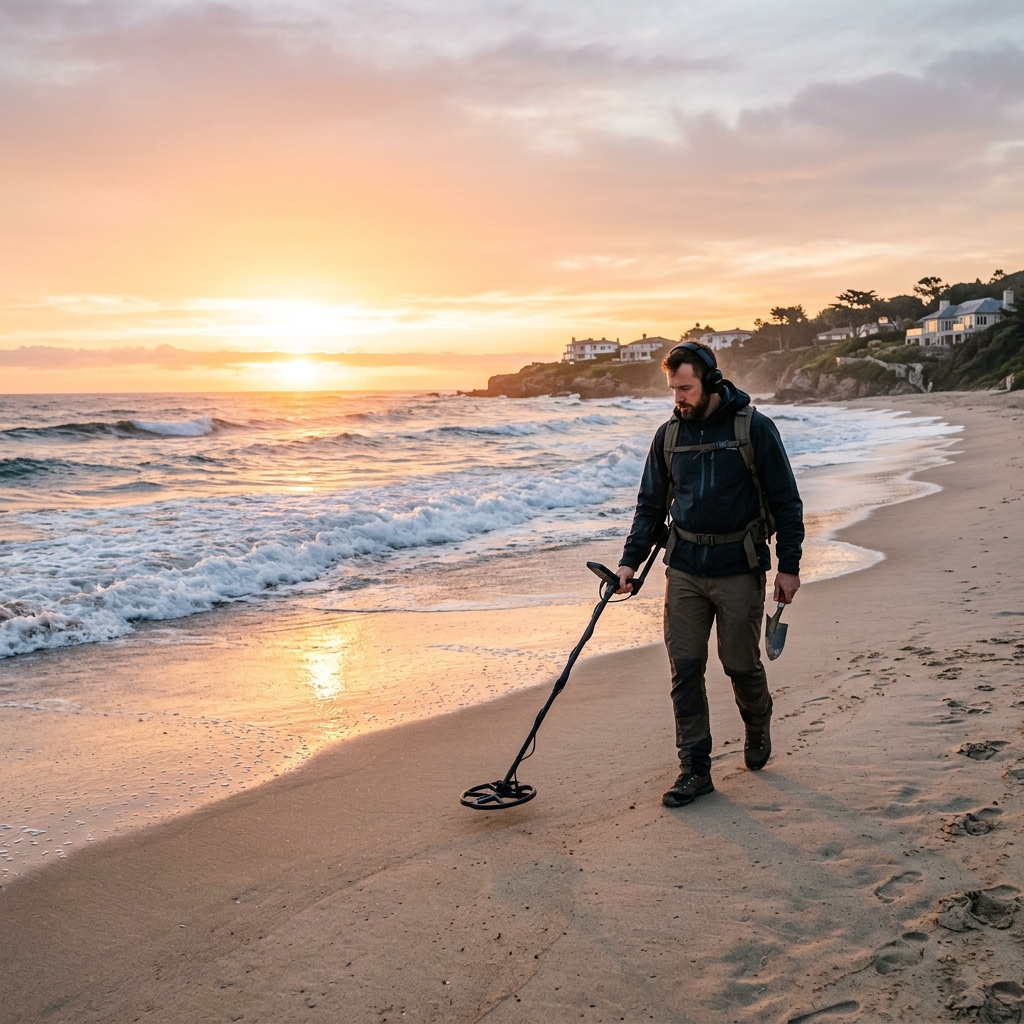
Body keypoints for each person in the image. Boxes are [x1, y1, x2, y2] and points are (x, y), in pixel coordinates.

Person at [616, 342, 804, 807]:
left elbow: (787, 501)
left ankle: (757, 723)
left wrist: (790, 566)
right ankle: (694, 769)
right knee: (685, 668)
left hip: (739, 567)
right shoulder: (668, 436)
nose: (678, 397)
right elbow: (649, 508)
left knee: (740, 664)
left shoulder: (753, 428)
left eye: (685, 388)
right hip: (682, 569)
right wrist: (628, 562)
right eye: (673, 389)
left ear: (711, 382)